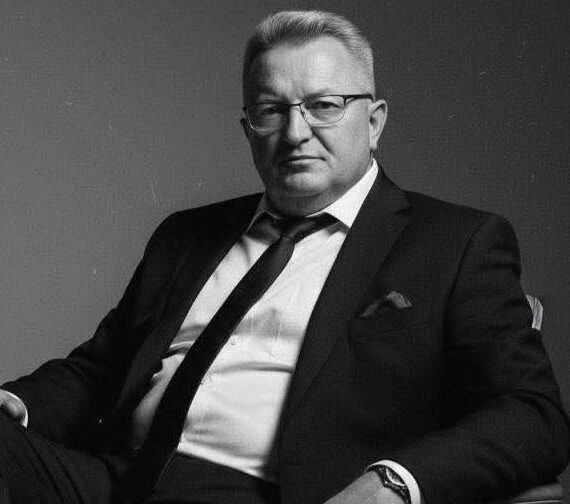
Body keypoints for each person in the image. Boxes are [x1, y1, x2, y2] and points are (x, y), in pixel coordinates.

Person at [0, 9, 568, 504]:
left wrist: (394, 484)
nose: (296, 132)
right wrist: (16, 404)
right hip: (115, 478)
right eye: (270, 110)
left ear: (374, 122)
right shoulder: (187, 234)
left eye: (324, 106)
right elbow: (100, 370)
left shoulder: (455, 242)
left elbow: (533, 414)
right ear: (248, 128)